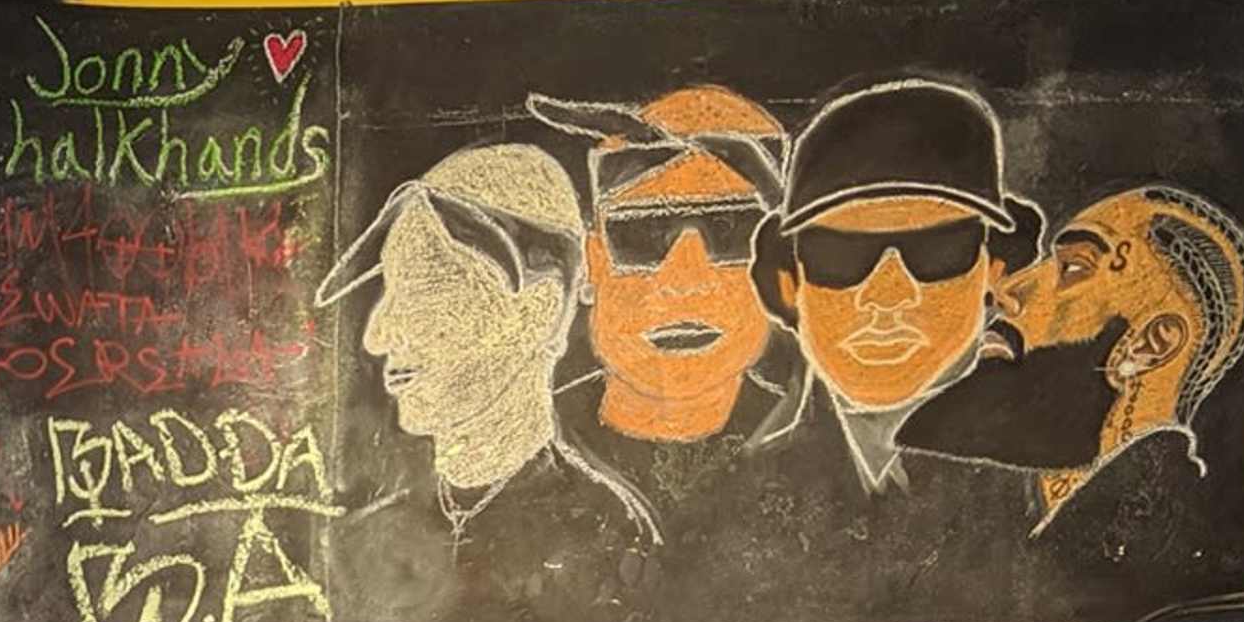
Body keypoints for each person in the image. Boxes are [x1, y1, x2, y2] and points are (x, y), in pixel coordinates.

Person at [318, 139, 659, 551]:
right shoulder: (365, 541)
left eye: (423, 293)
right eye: (390, 290)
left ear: (537, 312)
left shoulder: (608, 537)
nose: (376, 337)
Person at [902, 185, 1244, 533]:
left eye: (1073, 268)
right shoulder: (996, 510)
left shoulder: (1173, 529)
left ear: (1152, 345)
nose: (1008, 291)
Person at [751, 78, 1044, 491]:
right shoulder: (746, 482)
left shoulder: (1049, 465)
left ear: (996, 271)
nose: (887, 296)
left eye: (936, 250)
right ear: (787, 284)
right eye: (841, 255)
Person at [529, 85, 801, 447]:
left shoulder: (820, 447)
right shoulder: (531, 444)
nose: (686, 279)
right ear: (593, 261)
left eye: (732, 236)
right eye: (642, 237)